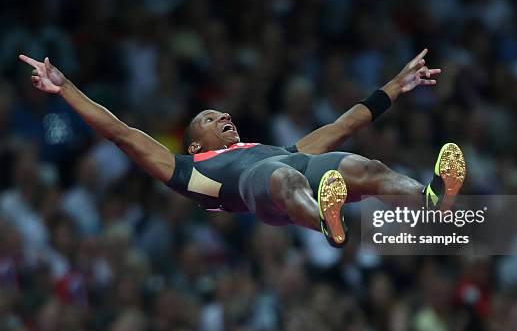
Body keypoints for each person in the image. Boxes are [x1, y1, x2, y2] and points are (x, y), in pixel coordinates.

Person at [19, 50, 466, 248]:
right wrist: (66, 89)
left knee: (361, 165)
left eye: (224, 114)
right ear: (195, 142)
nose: (224, 117)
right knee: (285, 177)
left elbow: (345, 122)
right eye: (211, 118)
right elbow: (121, 132)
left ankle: (431, 201)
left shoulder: (279, 145)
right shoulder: (185, 168)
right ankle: (331, 224)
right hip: (259, 193)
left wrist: (397, 85)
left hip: (293, 169)